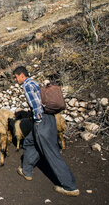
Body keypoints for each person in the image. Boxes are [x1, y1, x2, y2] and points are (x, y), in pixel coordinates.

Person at [12, 66, 79, 197]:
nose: (15, 80)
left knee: (51, 153)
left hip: (42, 122)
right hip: (50, 119)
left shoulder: (27, 85)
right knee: (30, 142)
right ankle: (27, 170)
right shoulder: (36, 82)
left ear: (21, 75)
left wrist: (37, 120)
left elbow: (36, 105)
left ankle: (70, 187)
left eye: (15, 77)